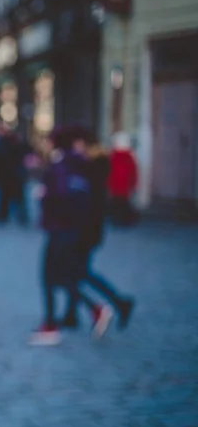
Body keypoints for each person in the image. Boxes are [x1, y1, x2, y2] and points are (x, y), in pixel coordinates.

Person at [63, 131, 134, 335]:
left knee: (78, 272)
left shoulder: (93, 167)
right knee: (76, 272)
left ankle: (119, 302)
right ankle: (72, 314)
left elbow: (89, 204)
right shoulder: (95, 165)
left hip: (86, 231)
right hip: (87, 229)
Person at [29, 126, 92, 346]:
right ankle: (95, 309)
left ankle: (50, 325)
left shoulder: (61, 165)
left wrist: (44, 195)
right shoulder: (75, 163)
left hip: (60, 229)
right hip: (69, 229)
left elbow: (61, 195)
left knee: (49, 277)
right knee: (62, 276)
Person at [107, 131, 139, 226]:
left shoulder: (113, 156)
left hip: (117, 186)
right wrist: (134, 184)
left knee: (119, 203)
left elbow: (109, 172)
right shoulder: (128, 156)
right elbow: (134, 172)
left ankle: (121, 219)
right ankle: (123, 219)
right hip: (123, 186)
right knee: (122, 203)